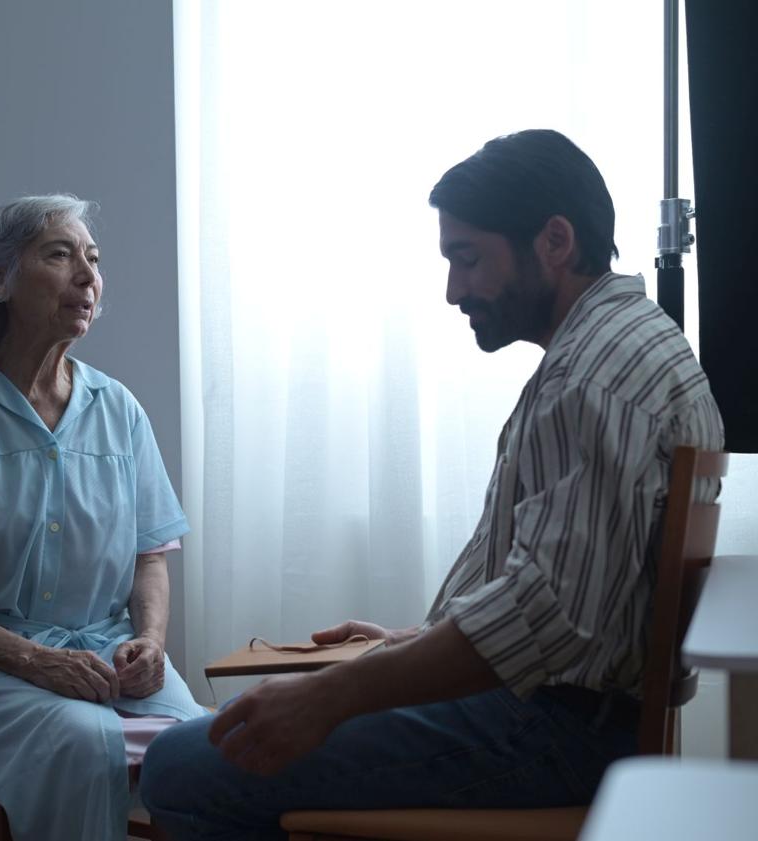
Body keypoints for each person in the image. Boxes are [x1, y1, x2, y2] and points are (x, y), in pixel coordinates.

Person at [139, 129, 725, 840]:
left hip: (555, 736)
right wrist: (407, 646)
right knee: (237, 731)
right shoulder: (629, 348)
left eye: (468, 259)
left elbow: (549, 615)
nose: (454, 290)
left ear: (555, 240)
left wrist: (335, 693)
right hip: (570, 718)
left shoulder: (593, 375)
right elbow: (573, 595)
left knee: (181, 766)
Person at [0, 194, 205, 841]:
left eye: (94, 259)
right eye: (59, 254)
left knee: (207, 748)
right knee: (82, 745)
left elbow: (149, 556)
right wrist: (34, 659)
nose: (88, 275)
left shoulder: (120, 409)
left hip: (105, 652)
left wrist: (153, 642)